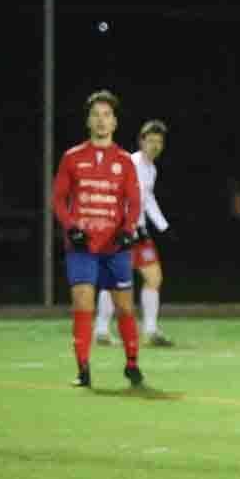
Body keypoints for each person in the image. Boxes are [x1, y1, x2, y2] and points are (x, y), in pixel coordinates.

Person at [52, 91, 145, 388]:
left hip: (115, 247)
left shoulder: (125, 161)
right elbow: (58, 199)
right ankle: (83, 369)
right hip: (82, 247)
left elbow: (134, 201)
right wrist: (71, 228)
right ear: (88, 121)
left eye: (107, 115)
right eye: (96, 115)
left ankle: (132, 363)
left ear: (114, 122)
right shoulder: (72, 157)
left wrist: (128, 230)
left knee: (125, 307)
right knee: (83, 301)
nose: (101, 120)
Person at [97, 120, 175, 347]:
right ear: (141, 142)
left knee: (154, 277)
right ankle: (101, 331)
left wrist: (163, 226)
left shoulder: (151, 169)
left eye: (159, 142)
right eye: (150, 141)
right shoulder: (131, 163)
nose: (155, 146)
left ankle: (150, 331)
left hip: (138, 232)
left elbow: (146, 199)